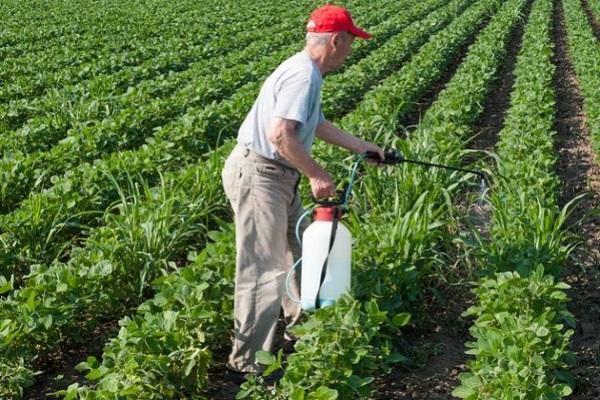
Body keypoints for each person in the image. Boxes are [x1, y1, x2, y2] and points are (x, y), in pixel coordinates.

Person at [221, 4, 384, 381]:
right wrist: (316, 174)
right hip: (261, 174)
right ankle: (246, 365)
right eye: (351, 42)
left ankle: (300, 332)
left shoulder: (305, 71)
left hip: (276, 175)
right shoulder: (303, 77)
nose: (351, 50)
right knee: (264, 268)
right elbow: (280, 135)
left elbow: (317, 124)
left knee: (298, 253)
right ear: (336, 40)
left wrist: (365, 147)